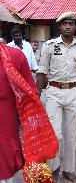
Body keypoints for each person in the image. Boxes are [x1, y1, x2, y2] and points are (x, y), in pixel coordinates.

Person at [37, 12, 76, 182]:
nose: (67, 26)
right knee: (55, 133)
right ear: (59, 26)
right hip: (53, 92)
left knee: (70, 134)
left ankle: (69, 169)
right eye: (64, 24)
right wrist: (36, 95)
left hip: (73, 93)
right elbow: (42, 72)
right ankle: (54, 167)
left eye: (71, 23)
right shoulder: (49, 45)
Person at [0, 44, 58, 183]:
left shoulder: (14, 55)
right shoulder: (14, 54)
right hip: (7, 112)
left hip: (6, 112)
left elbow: (30, 90)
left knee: (7, 149)